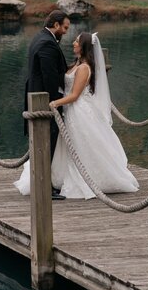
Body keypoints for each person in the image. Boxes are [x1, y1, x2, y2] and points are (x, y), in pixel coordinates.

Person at [15, 32, 139, 199]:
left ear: (84, 47)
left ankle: (94, 177)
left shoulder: (84, 68)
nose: (73, 43)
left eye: (77, 41)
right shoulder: (76, 64)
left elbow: (74, 95)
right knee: (68, 146)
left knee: (82, 145)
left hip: (78, 111)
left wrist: (55, 103)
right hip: (70, 111)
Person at [23, 10, 70, 200]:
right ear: (56, 25)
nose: (66, 31)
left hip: (38, 98)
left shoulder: (40, 38)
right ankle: (44, 188)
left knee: (44, 144)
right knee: (46, 145)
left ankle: (45, 184)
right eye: (65, 27)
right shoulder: (47, 44)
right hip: (44, 102)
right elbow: (50, 77)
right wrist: (56, 104)